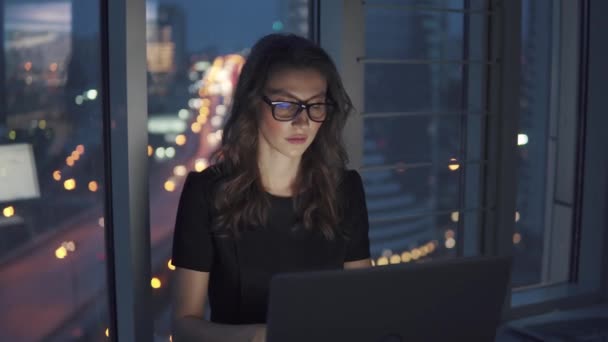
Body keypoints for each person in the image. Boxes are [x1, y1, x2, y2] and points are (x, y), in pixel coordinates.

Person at [170, 33, 371, 342]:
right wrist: (259, 337)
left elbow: (362, 307)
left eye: (316, 105)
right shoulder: (206, 192)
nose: (303, 123)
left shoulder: (345, 190)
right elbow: (184, 324)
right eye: (285, 105)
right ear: (253, 105)